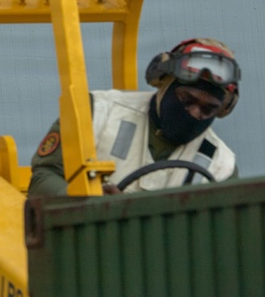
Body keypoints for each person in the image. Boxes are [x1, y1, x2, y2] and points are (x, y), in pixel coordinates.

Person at [29, 38, 240, 195]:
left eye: (208, 109)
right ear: (163, 84)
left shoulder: (222, 166)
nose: (195, 113)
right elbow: (42, 179)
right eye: (186, 99)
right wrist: (86, 203)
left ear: (222, 110)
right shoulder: (97, 112)